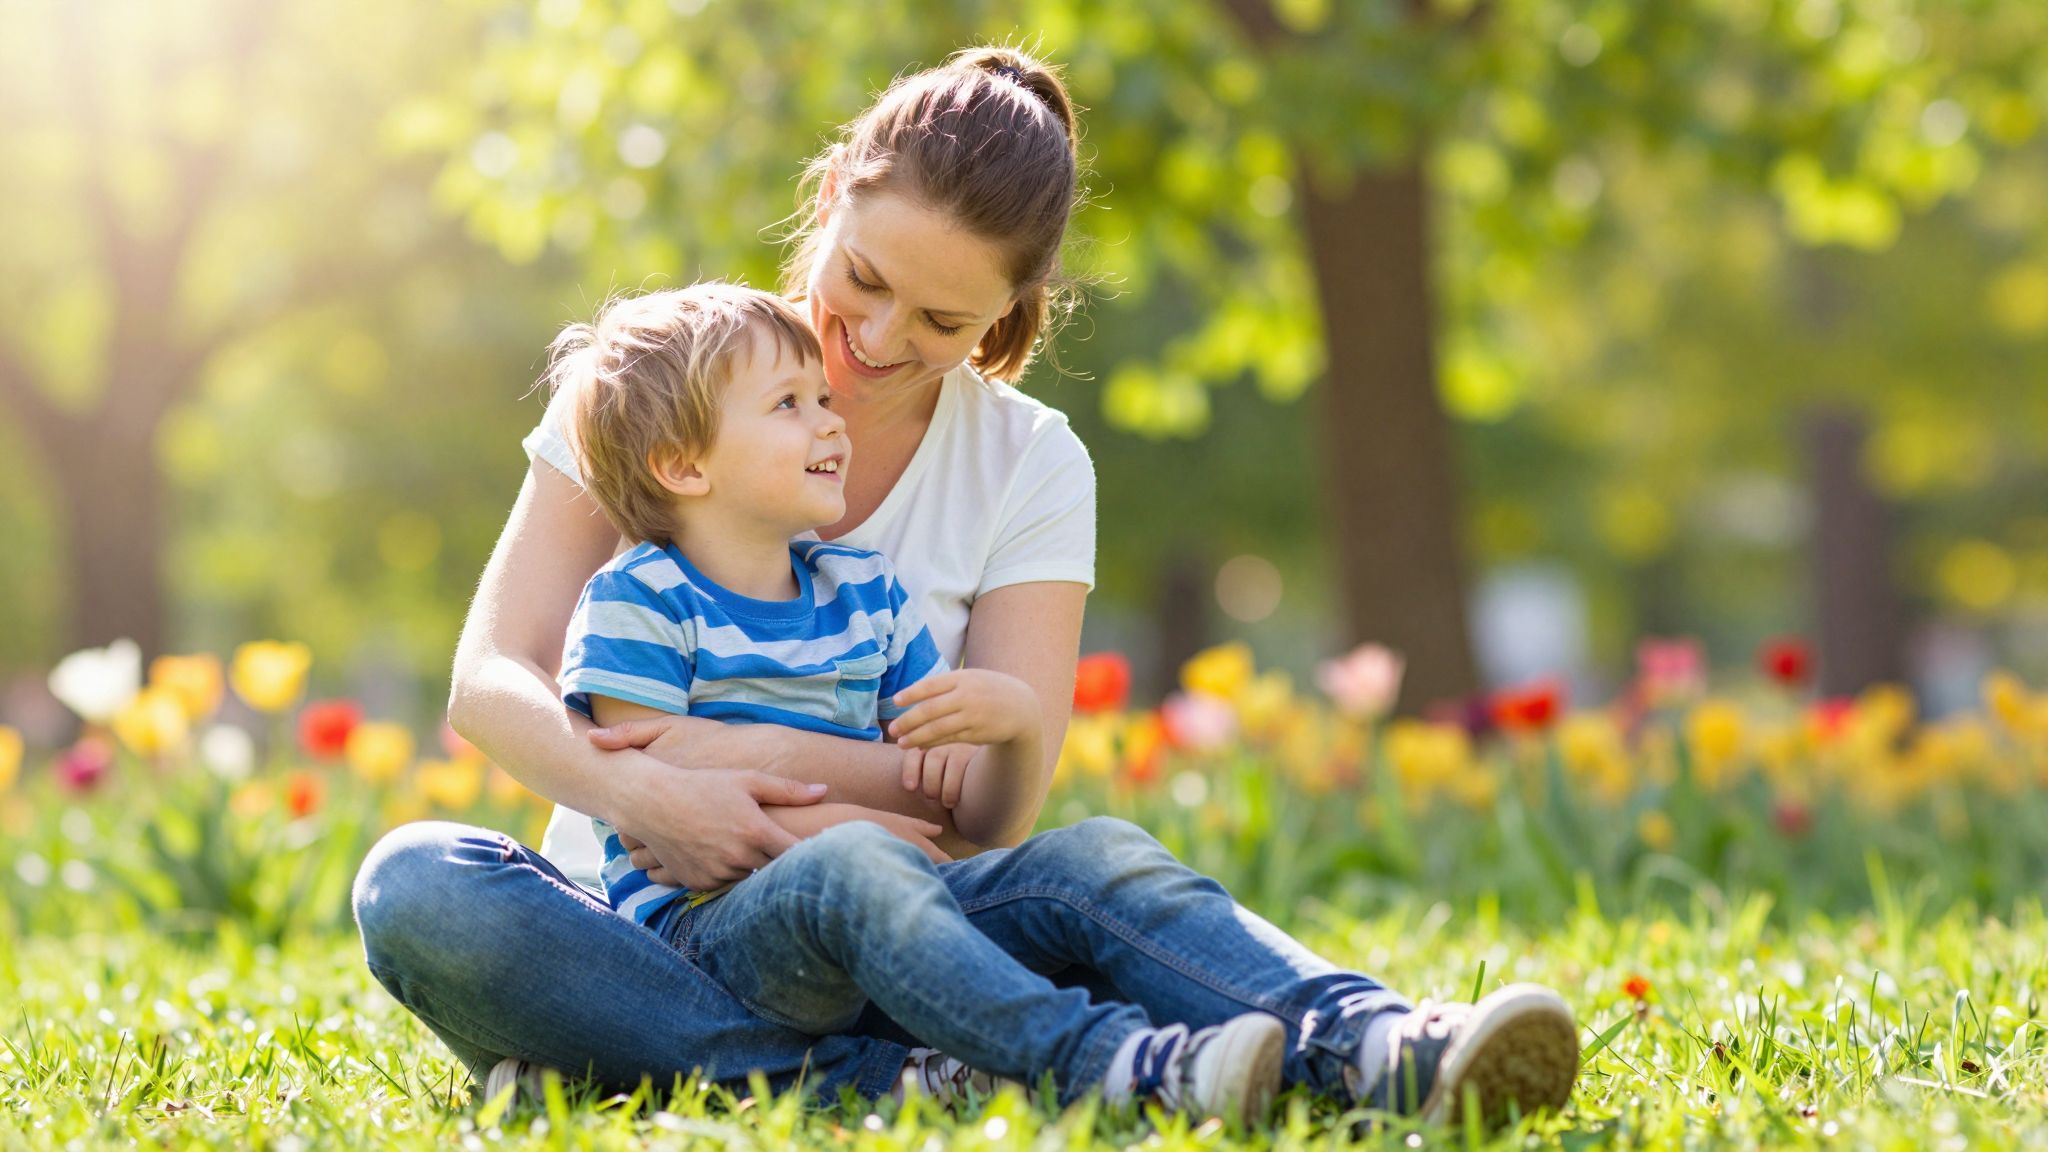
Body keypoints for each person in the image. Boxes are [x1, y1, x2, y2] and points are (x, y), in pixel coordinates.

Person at [350, 45, 1581, 1129]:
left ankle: (1375, 1044)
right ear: (832, 198)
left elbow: (987, 814)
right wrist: (659, 795)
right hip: (629, 930)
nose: (875, 342)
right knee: (415, 885)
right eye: (865, 279)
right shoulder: (657, 389)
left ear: (1010, 309)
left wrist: (765, 756)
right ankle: (882, 1075)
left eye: (940, 318)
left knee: (1093, 859)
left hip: (903, 922)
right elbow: (490, 681)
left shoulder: (1029, 462)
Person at [535, 279, 1288, 1118]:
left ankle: (1331, 1035)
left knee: (1100, 850)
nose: (830, 421)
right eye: (789, 403)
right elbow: (658, 797)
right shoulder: (638, 598)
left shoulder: (868, 592)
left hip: (888, 907)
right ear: (682, 463)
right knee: (855, 867)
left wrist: (1017, 734)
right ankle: (1110, 1065)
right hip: (708, 937)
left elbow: (960, 805)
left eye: (822, 396)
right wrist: (850, 834)